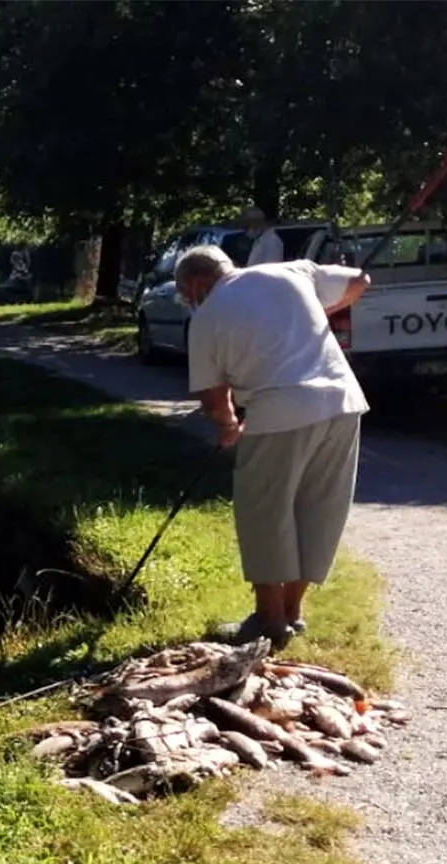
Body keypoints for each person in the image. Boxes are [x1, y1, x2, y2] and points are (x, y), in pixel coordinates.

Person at [174, 244, 371, 647]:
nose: (186, 301)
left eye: (183, 294)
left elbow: (214, 399)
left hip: (280, 410)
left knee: (263, 510)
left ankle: (270, 617)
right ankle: (292, 609)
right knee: (319, 507)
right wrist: (322, 313)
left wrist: (228, 425)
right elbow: (360, 280)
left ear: (195, 283)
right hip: (343, 402)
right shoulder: (292, 271)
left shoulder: (208, 316)